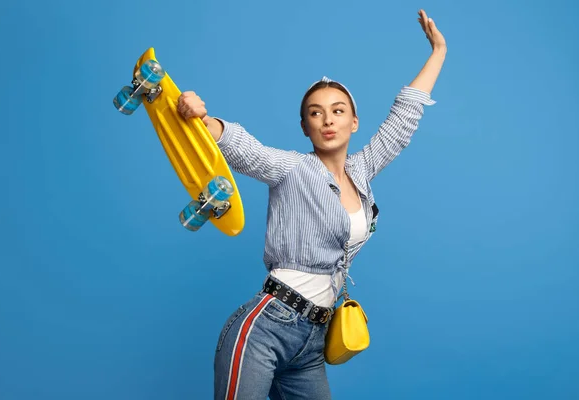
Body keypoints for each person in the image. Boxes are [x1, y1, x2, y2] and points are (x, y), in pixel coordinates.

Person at [177, 9, 446, 400]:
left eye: (338, 111)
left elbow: (403, 119)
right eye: (315, 113)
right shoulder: (294, 169)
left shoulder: (362, 171)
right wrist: (206, 121)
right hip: (266, 327)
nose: (327, 120)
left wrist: (438, 51)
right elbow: (247, 151)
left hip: (312, 341)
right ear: (305, 127)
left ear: (354, 122)